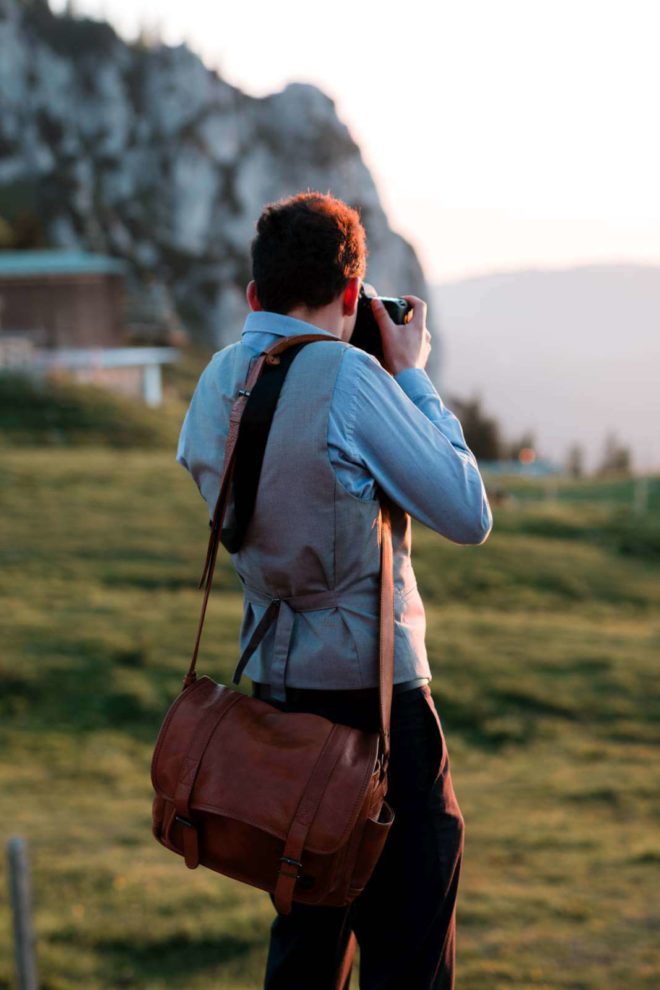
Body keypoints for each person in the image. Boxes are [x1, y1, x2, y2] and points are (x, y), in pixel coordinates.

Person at [175, 191, 493, 989]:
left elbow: (216, 474)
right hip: (378, 705)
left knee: (308, 930)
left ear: (254, 296)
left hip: (279, 700)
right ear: (352, 297)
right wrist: (412, 379)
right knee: (409, 950)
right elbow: (467, 509)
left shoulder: (216, 381)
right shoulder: (352, 380)